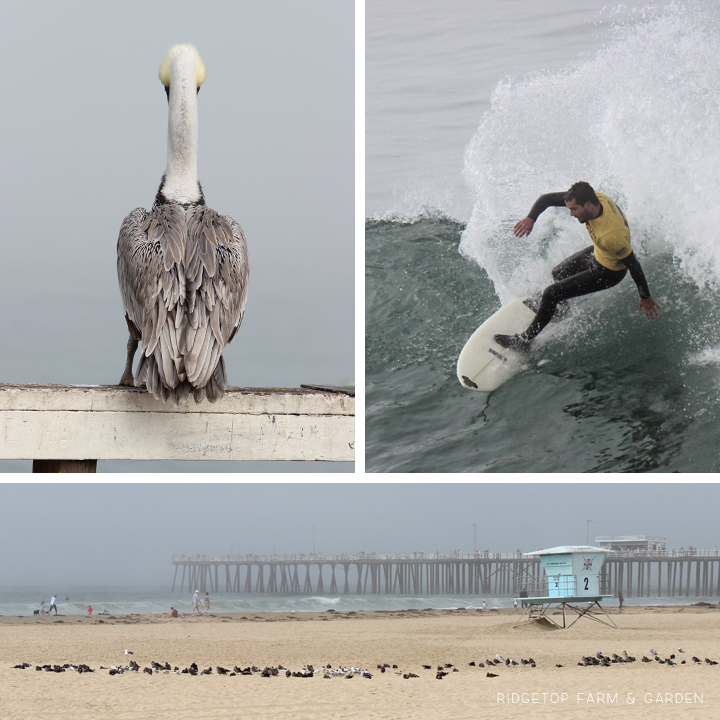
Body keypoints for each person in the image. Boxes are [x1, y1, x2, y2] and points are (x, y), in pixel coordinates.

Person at [494, 181, 661, 352]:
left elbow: (634, 265)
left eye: (574, 210)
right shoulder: (595, 198)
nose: (571, 214)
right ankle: (560, 310)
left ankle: (524, 341)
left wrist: (645, 296)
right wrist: (531, 218)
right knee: (558, 272)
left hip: (608, 272)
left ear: (588, 205)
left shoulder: (611, 235)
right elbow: (547, 199)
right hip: (599, 253)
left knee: (550, 293)